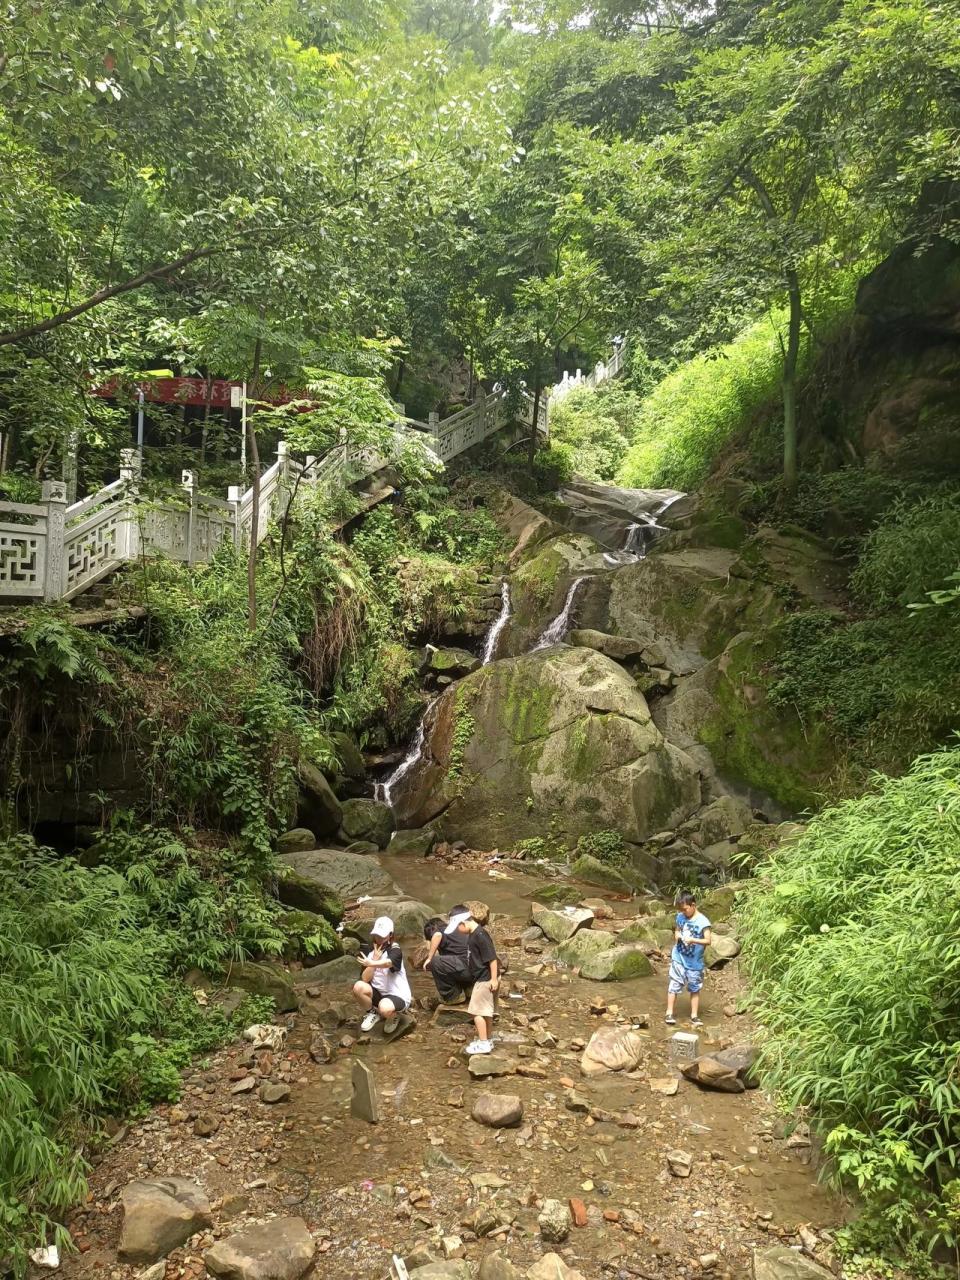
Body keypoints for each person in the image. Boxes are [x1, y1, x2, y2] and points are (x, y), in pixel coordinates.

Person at [446, 905, 499, 1055]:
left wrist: (493, 979)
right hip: (483, 977)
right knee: (486, 1011)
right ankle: (488, 1039)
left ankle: (483, 1043)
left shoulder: (480, 935)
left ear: (463, 923)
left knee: (476, 1012)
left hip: (485, 978)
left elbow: (492, 958)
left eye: (457, 928)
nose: (457, 931)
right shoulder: (474, 933)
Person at [351, 915, 413, 1036]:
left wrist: (372, 963)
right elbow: (365, 979)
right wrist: (374, 959)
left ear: (390, 935)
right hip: (378, 994)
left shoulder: (395, 949)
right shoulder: (371, 952)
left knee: (384, 1008)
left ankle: (394, 1016)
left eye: (382, 936)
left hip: (397, 995)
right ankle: (372, 1013)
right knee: (358, 986)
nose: (379, 939)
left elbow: (388, 963)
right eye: (377, 935)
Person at [666, 892, 712, 1027]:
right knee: (674, 983)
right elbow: (677, 930)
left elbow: (708, 941)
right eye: (681, 910)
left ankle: (694, 1016)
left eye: (685, 909)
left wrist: (693, 940)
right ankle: (669, 1012)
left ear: (693, 905)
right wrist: (677, 936)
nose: (683, 912)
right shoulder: (680, 917)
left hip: (694, 962)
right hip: (679, 957)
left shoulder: (703, 922)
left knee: (694, 988)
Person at [423, 903, 471, 1004]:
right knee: (449, 964)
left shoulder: (441, 930)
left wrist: (429, 958)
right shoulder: (457, 929)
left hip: (466, 968)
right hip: (475, 970)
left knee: (436, 962)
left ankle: (452, 996)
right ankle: (469, 990)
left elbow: (437, 935)